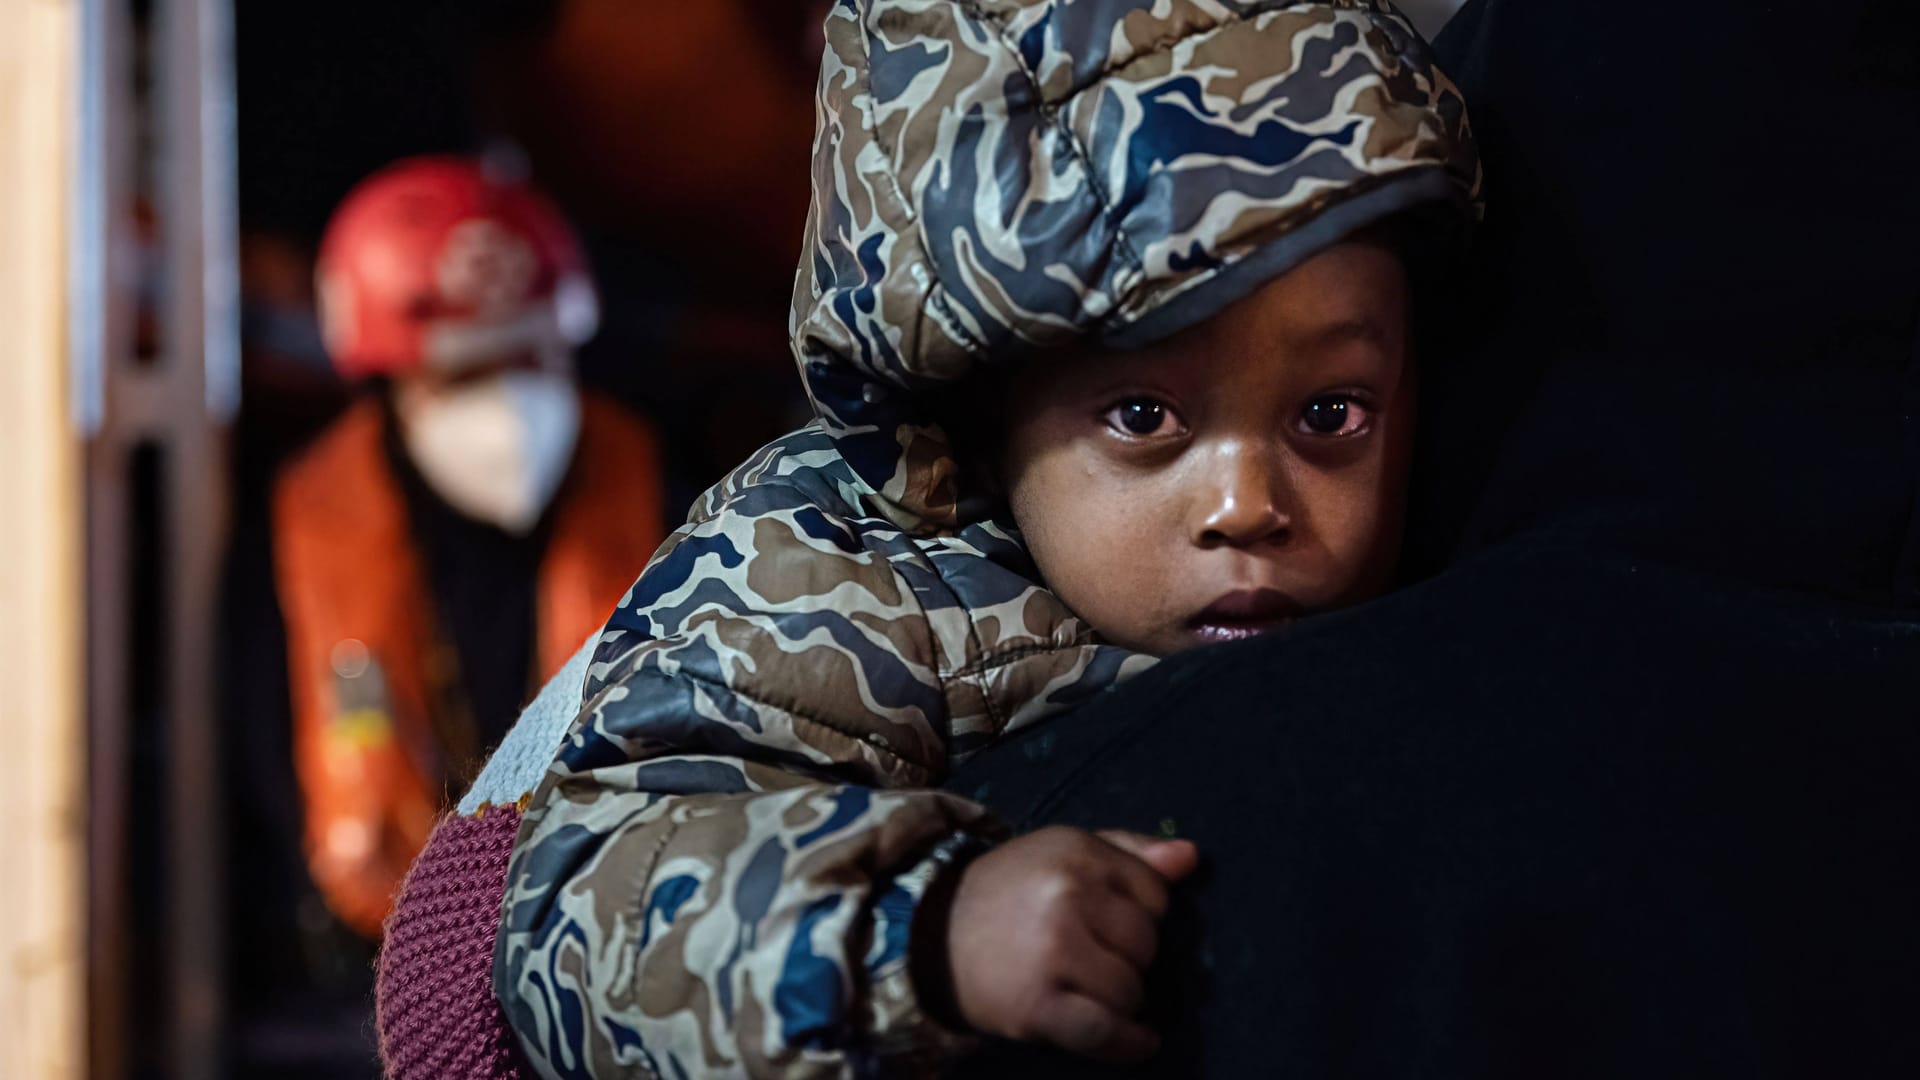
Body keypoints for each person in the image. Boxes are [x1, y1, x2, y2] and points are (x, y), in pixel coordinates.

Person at [372, 1, 1478, 1076]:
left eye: (1330, 413)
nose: (1249, 503)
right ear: (978, 402)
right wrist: (925, 933)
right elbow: (578, 909)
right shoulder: (833, 571)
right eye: (1144, 416)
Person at [273, 156, 668, 939]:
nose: (511, 410)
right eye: (466, 373)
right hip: (367, 973)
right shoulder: (292, 546)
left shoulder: (669, 503)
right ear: (391, 382)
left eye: (531, 361)